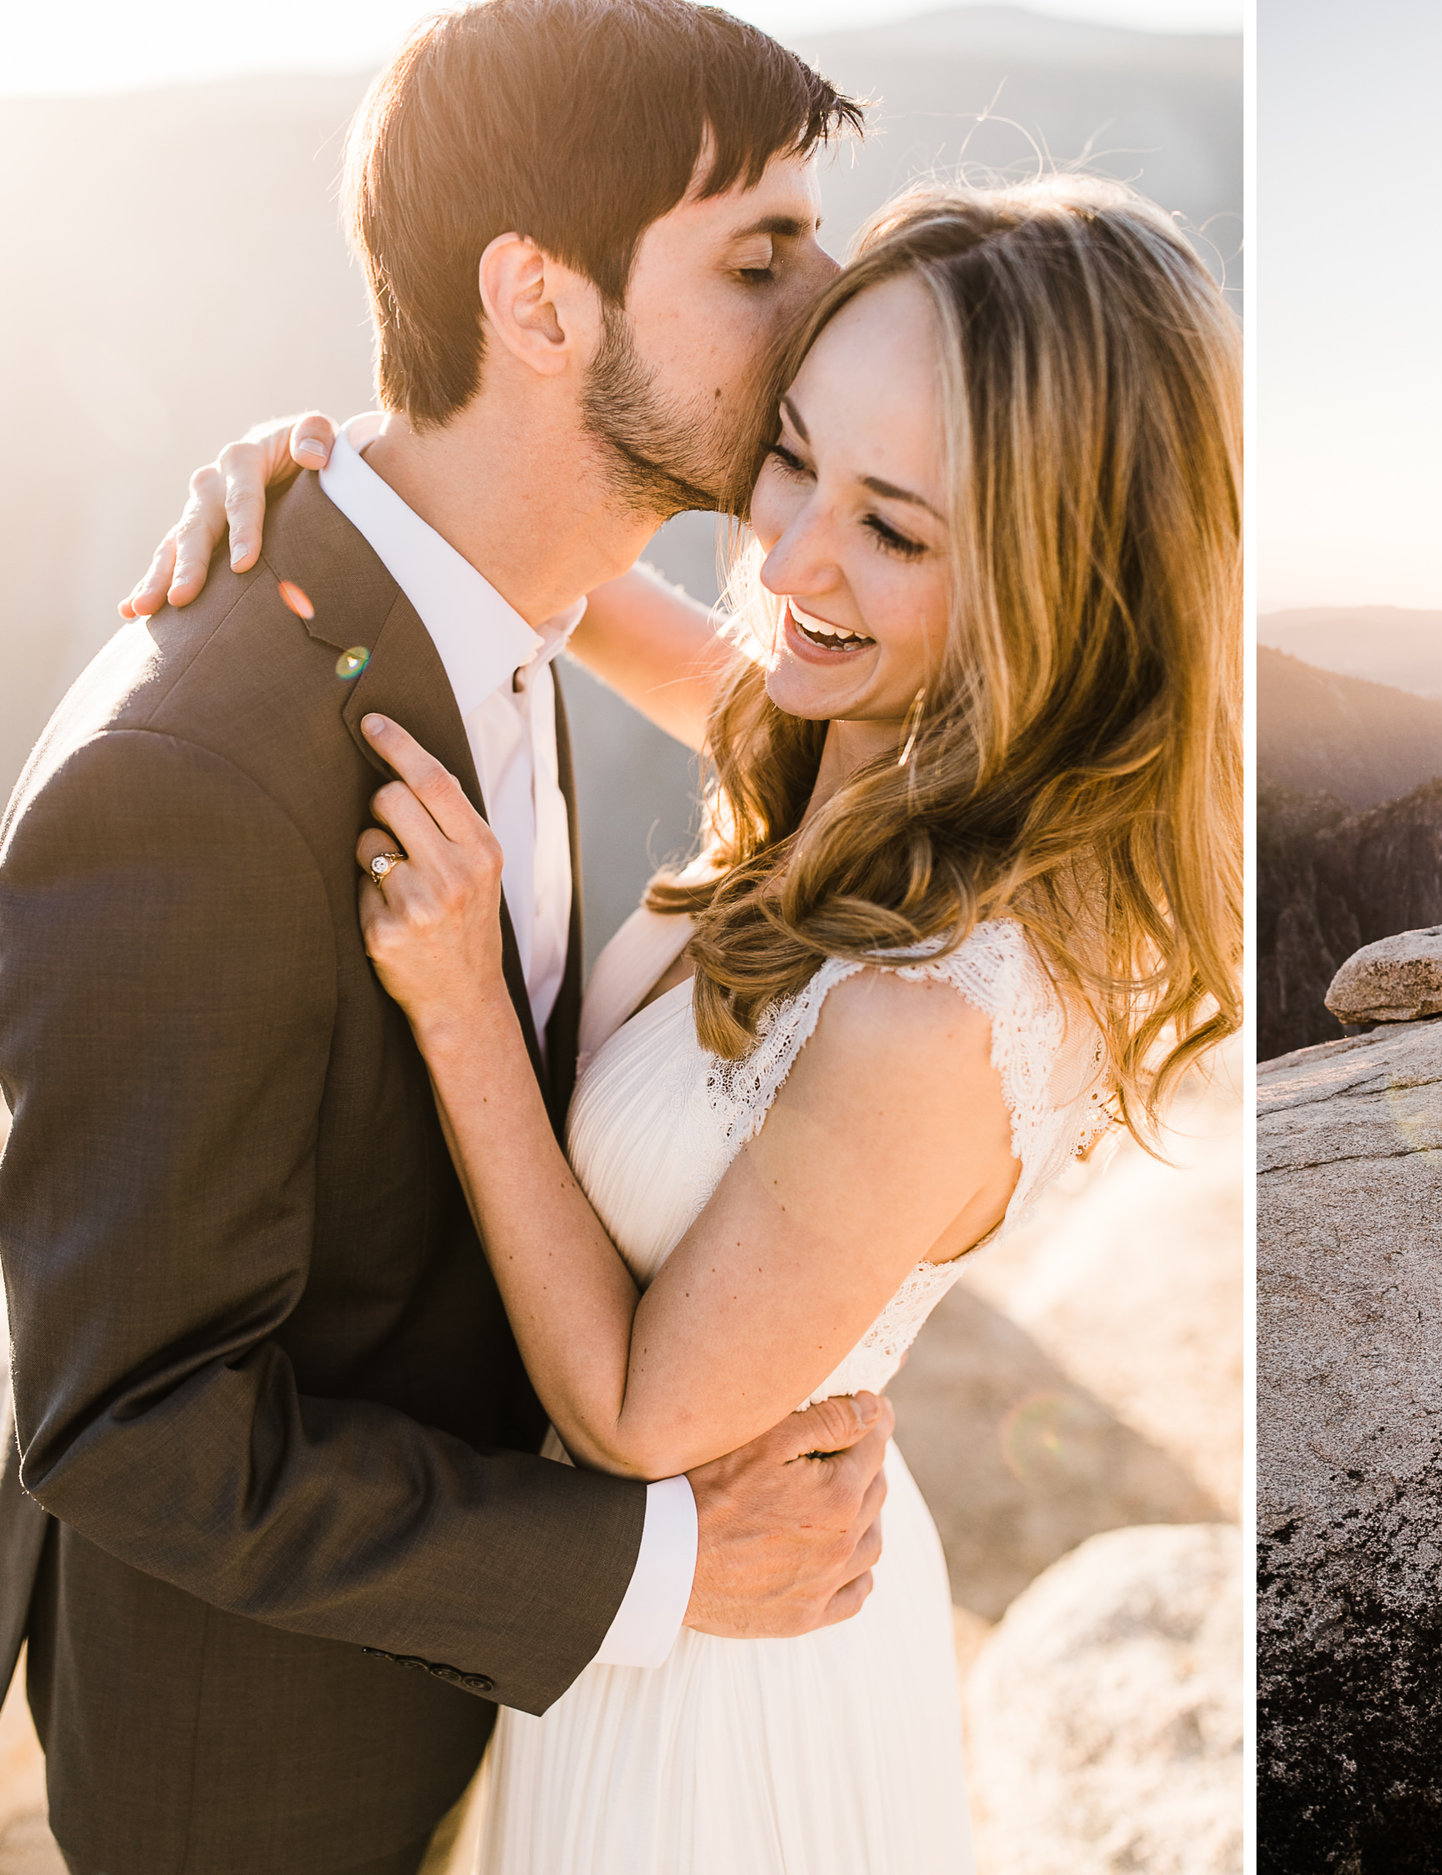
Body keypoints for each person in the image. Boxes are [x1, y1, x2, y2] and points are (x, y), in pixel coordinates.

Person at [126, 173, 1241, 1874]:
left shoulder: (935, 1011)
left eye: (896, 526)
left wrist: (460, 1010)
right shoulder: (844, 741)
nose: (790, 562)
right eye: (793, 453)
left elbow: (645, 1411)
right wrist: (320, 473)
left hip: (731, 1713)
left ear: (1059, 590)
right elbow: (547, 586)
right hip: (638, 1631)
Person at [0, 7, 890, 1873]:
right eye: (760, 256)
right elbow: (131, 1425)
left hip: (501, 1724)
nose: (829, 306)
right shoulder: (194, 775)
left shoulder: (496, 611)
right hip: (263, 1776)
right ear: (540, 303)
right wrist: (656, 1567)